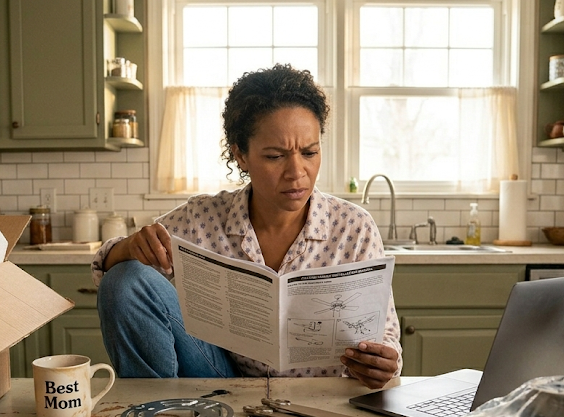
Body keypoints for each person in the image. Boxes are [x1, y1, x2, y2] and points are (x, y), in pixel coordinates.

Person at [91, 63, 401, 389]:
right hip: (224, 381)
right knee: (125, 280)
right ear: (241, 156)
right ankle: (156, 414)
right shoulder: (202, 218)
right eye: (274, 156)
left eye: (310, 152)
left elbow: (386, 335)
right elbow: (108, 274)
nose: (297, 172)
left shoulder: (354, 228)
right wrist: (128, 248)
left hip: (321, 394)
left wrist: (382, 361)